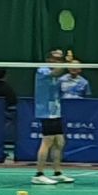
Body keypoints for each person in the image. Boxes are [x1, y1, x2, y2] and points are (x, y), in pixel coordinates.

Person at [31, 45, 81, 183]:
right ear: (49, 59)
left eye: (60, 59)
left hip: (55, 110)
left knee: (59, 142)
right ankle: (39, 174)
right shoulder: (42, 70)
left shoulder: (59, 73)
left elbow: (62, 74)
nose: (58, 61)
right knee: (47, 141)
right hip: (45, 111)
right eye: (56, 58)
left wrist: (70, 65)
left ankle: (57, 172)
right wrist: (67, 62)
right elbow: (55, 73)